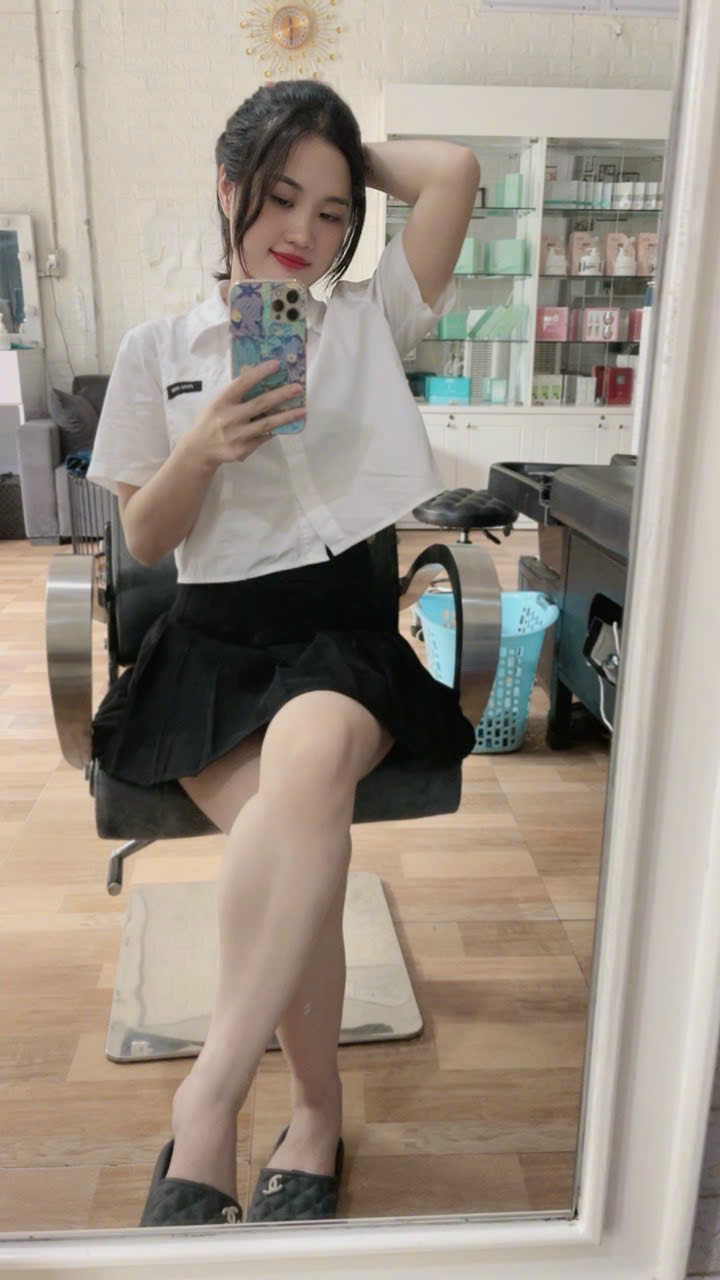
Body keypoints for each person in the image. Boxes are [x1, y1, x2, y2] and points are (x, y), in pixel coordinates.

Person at [86, 79, 481, 1228]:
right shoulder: (159, 349)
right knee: (301, 839)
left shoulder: (367, 321)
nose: (304, 232)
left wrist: (331, 141)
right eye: (279, 197)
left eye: (332, 209)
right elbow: (145, 539)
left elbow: (453, 174)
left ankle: (208, 1098)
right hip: (213, 646)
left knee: (307, 767)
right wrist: (201, 447)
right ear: (228, 189)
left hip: (341, 640)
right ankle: (314, 1111)